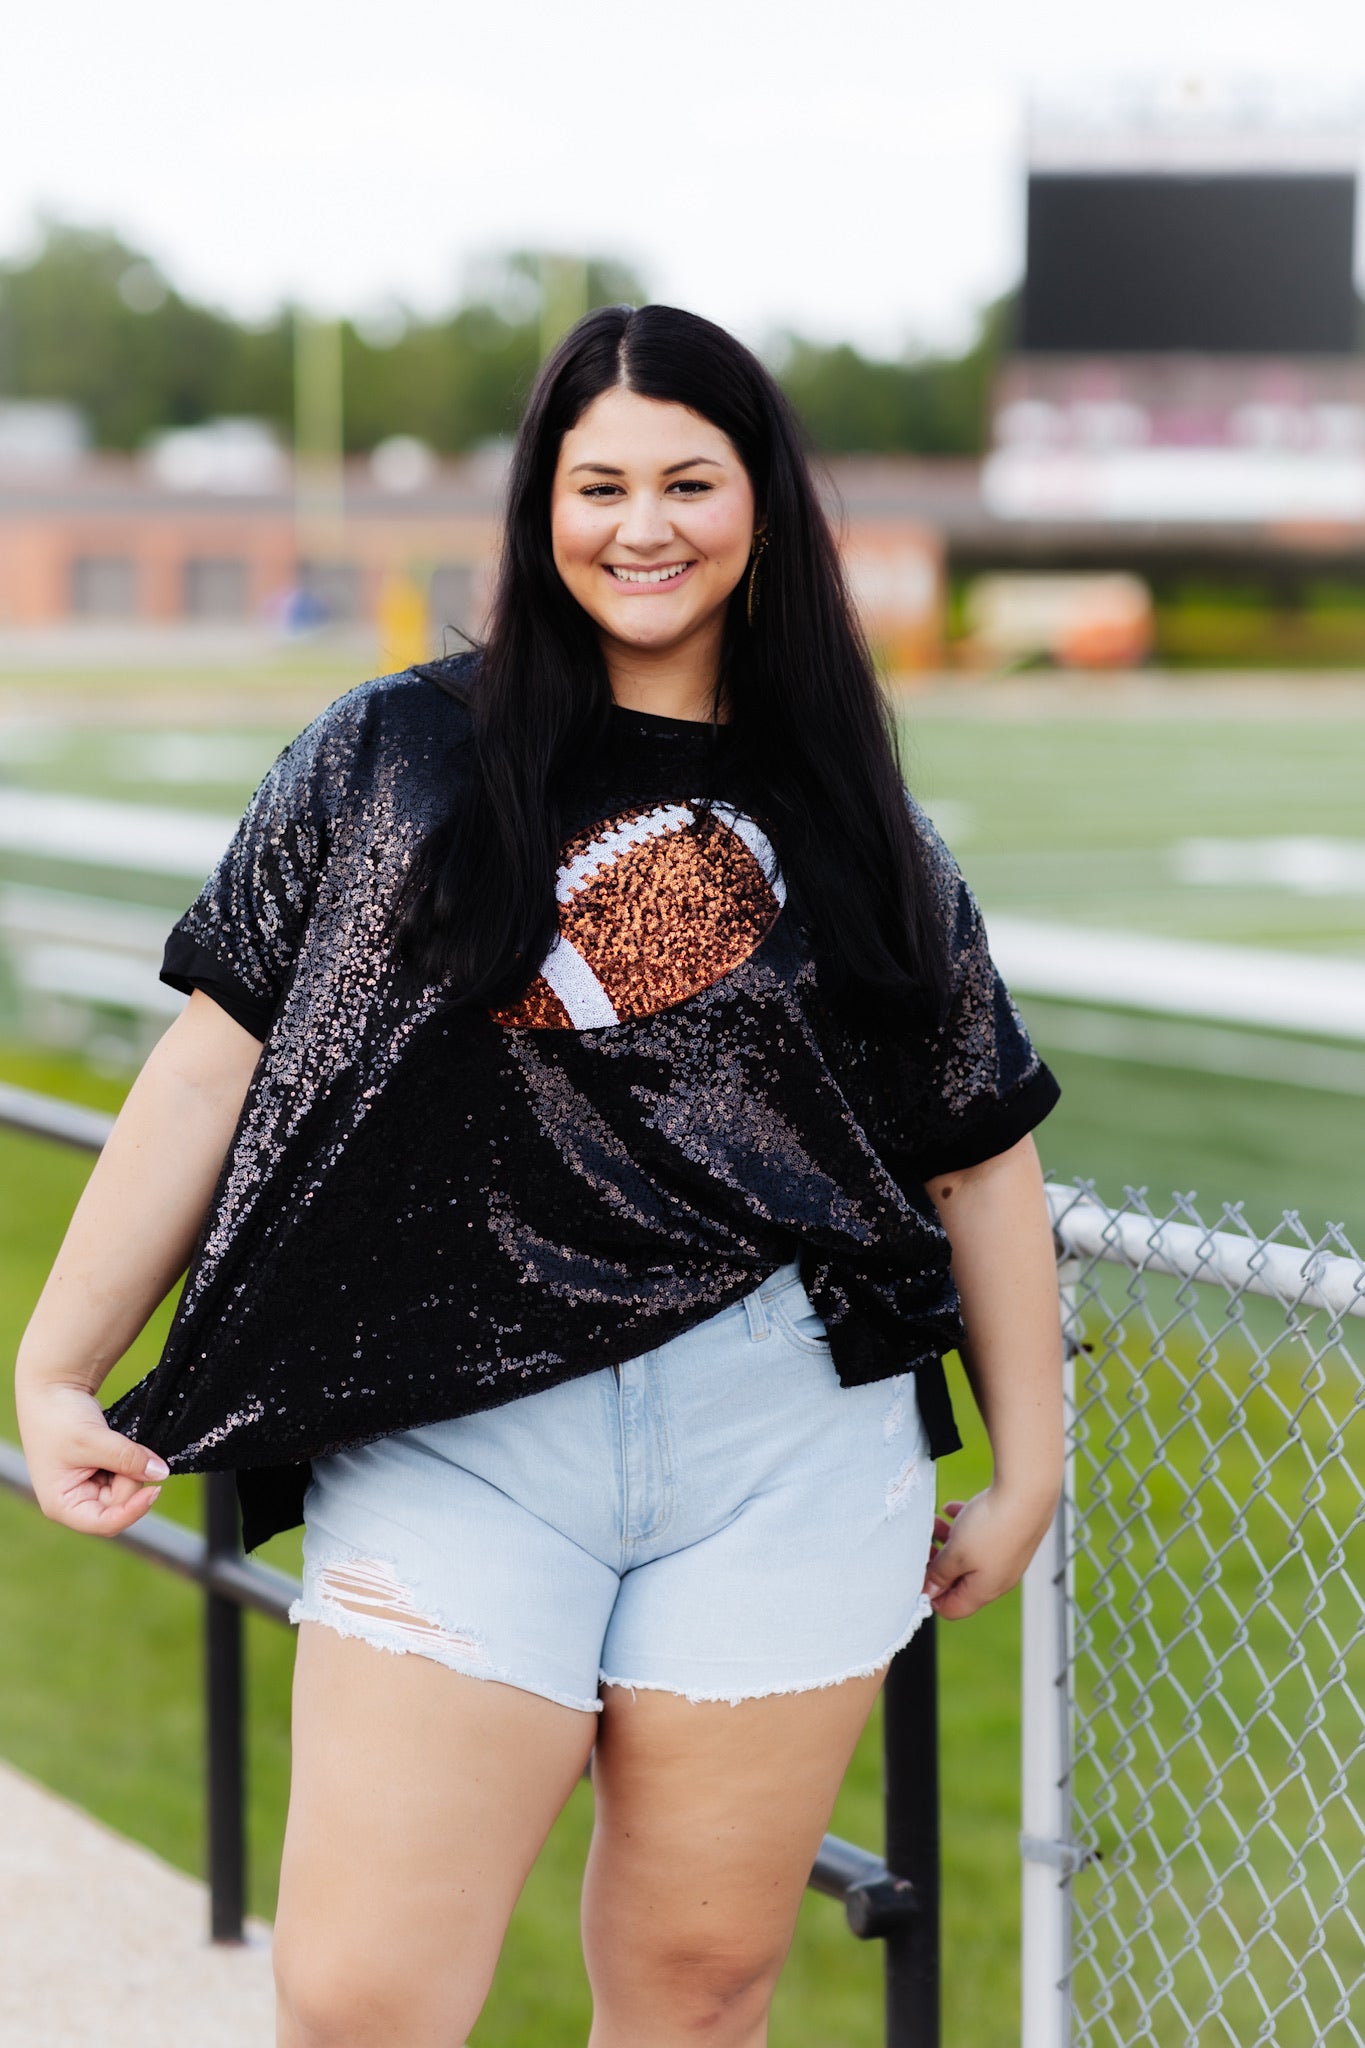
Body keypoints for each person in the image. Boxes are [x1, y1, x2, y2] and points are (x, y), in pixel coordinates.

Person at [15, 303, 1065, 2048]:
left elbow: (977, 1151)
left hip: (782, 1445)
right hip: (456, 1427)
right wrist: (56, 1369)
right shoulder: (387, 755)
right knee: (360, 2000)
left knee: (698, 1988)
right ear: (540, 503)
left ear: (761, 507)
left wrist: (1024, 1469)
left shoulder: (858, 817)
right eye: (599, 484)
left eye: (688, 481)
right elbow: (211, 1066)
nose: (641, 525)